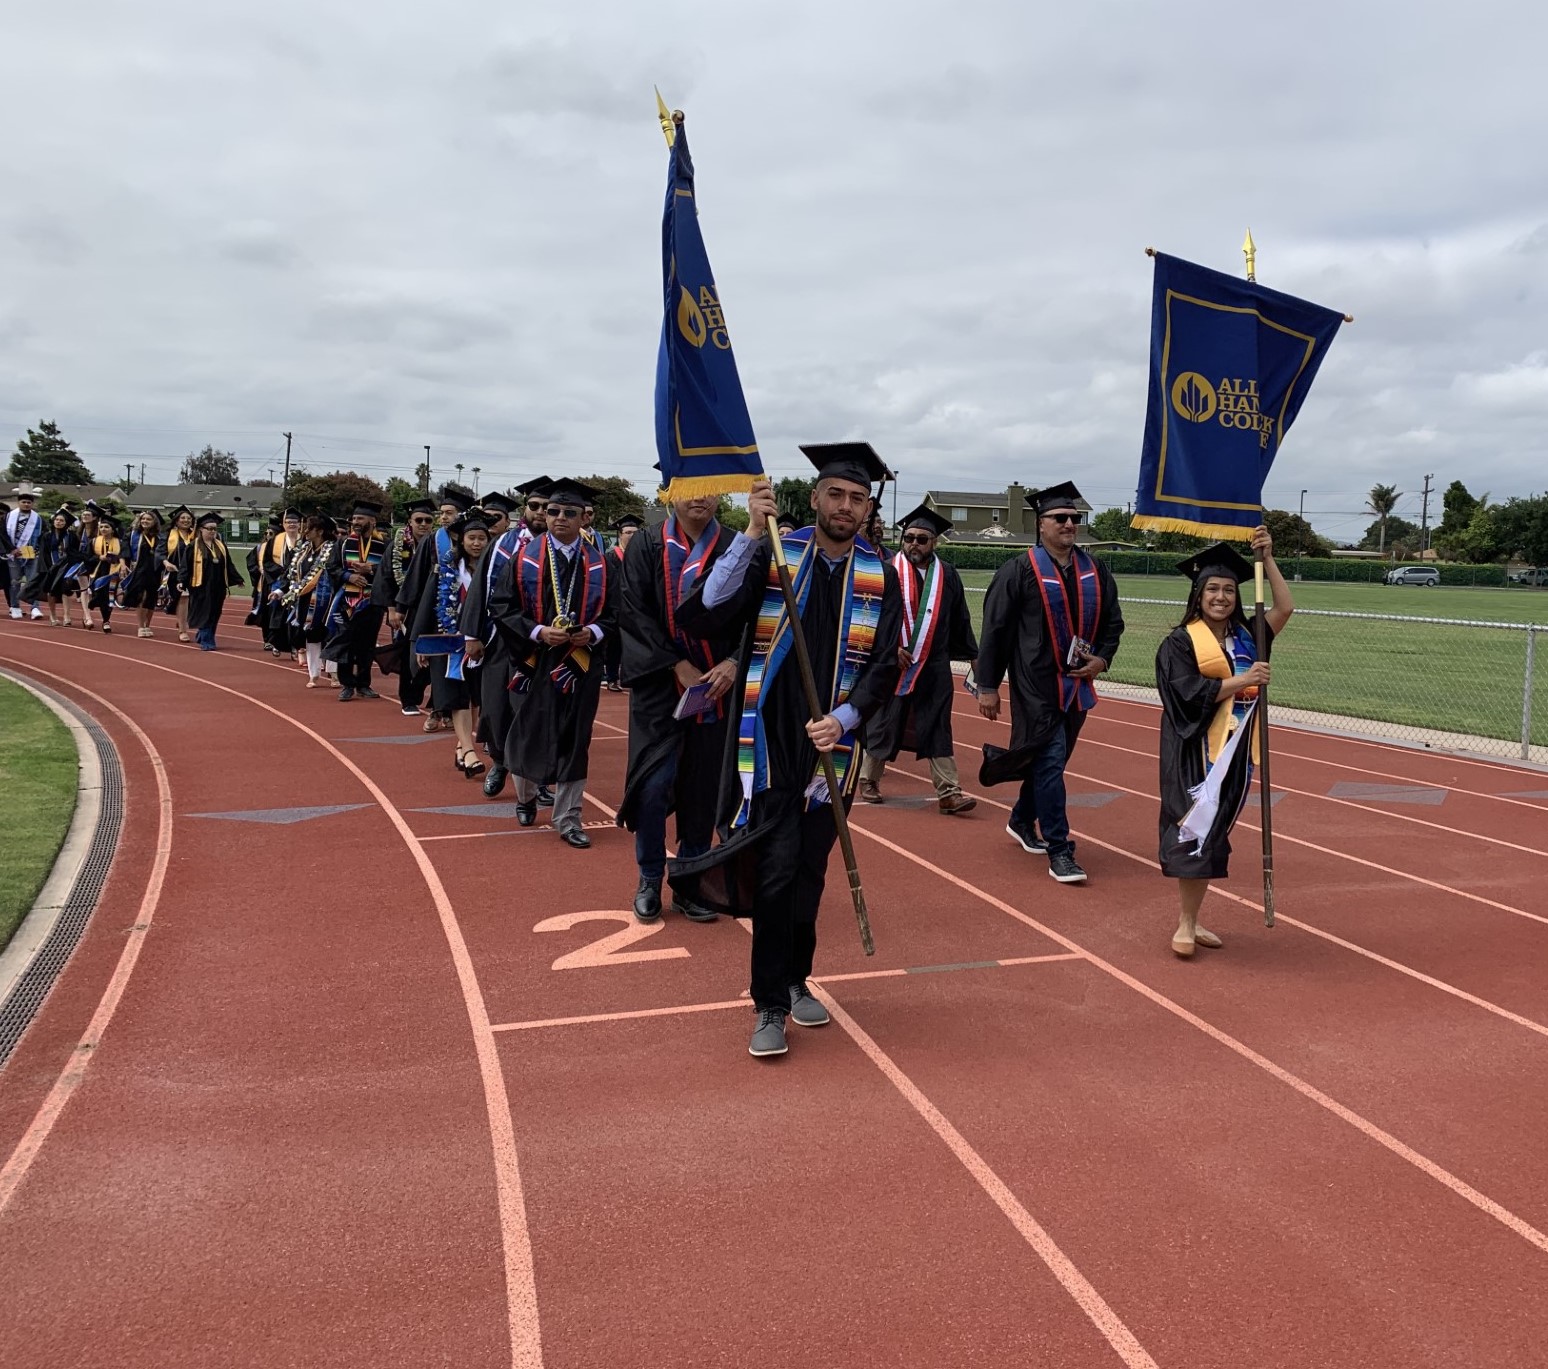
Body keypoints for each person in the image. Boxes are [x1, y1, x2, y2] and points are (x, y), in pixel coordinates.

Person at [670, 444, 903, 1060]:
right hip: (771, 744)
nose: (846, 506)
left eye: (857, 498)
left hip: (836, 751)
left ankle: (799, 977)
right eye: (836, 494)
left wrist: (847, 718)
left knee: (809, 873)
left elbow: (886, 664)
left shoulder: (882, 573)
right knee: (774, 873)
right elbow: (703, 611)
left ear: (866, 506)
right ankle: (768, 1003)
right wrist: (749, 531)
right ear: (815, 497)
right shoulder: (778, 550)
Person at [975, 481, 1124, 885]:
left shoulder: (1095, 570)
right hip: (1034, 687)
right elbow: (996, 631)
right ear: (1041, 524)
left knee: (1048, 764)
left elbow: (1113, 623)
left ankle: (1022, 819)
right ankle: (1060, 850)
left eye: (1075, 518)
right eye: (1061, 518)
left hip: (1077, 686)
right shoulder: (1019, 570)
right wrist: (988, 686)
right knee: (1051, 761)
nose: (1070, 524)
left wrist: (1102, 659)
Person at [1158, 529, 1292, 957]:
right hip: (1194, 752)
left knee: (1214, 834)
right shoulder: (1178, 643)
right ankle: (1185, 923)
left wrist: (1267, 559)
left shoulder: (1249, 637)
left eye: (1230, 589)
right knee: (1194, 832)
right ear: (1198, 595)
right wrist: (1243, 679)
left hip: (1237, 752)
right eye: (1212, 588)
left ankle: (1193, 921)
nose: (1221, 596)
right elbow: (1187, 694)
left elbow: (1286, 606)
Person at [616, 494, 740, 924]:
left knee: (702, 790)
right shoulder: (646, 545)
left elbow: (760, 612)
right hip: (659, 688)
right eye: (691, 487)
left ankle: (690, 883)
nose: (701, 498)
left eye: (710, 488)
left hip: (716, 688)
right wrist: (675, 663)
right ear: (670, 491)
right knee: (653, 786)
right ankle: (650, 876)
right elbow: (632, 612)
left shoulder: (735, 545)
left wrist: (734, 661)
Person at [488, 478, 614, 848]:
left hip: (580, 662)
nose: (559, 517)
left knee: (576, 739)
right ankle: (525, 797)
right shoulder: (523, 558)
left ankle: (568, 817)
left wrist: (593, 632)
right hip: (534, 661)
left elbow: (618, 615)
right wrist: (538, 632)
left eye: (569, 512)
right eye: (552, 510)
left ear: (584, 518)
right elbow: (501, 608)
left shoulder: (601, 564)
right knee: (529, 732)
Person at [857, 504, 978, 814]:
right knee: (884, 722)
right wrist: (887, 648)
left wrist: (975, 660)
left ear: (933, 542)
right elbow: (871, 618)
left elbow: (959, 620)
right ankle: (868, 779)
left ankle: (949, 792)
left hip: (934, 665)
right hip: (893, 661)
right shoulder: (886, 569)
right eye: (908, 537)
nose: (914, 544)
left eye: (922, 539)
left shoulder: (947, 575)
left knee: (938, 725)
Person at [461, 478, 550, 798]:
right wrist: (473, 635)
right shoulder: (504, 544)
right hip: (502, 639)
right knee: (497, 706)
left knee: (537, 710)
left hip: (545, 643)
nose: (541, 513)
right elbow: (480, 589)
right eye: (535, 506)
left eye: (548, 507)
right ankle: (499, 761)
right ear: (525, 508)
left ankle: (537, 778)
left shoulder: (565, 546)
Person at [411, 511, 490, 777]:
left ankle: (461, 746)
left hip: (482, 644)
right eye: (472, 538)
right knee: (458, 698)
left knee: (475, 698)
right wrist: (420, 644)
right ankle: (469, 751)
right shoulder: (445, 570)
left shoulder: (495, 572)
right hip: (449, 643)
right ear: (462, 540)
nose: (477, 543)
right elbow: (427, 606)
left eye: (482, 538)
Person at [394, 485, 474, 726]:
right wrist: (401, 606)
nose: (443, 517)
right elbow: (416, 574)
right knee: (434, 659)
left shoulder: (474, 538)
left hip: (467, 605)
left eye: (449, 512)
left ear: (461, 515)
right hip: (434, 605)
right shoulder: (434, 540)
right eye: (442, 512)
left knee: (460, 661)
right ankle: (437, 709)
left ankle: (447, 710)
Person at [325, 501, 390, 699]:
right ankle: (347, 685)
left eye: (360, 518)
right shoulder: (343, 543)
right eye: (353, 518)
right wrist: (349, 576)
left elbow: (390, 571)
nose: (355, 522)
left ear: (372, 520)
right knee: (346, 642)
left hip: (373, 602)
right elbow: (331, 567)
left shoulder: (385, 545)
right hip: (347, 601)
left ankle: (363, 684)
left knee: (367, 644)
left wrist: (372, 569)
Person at [388, 497, 437, 715]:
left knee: (436, 655)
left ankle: (435, 701)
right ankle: (408, 698)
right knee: (410, 655)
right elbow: (387, 578)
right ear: (410, 521)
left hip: (434, 608)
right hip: (408, 609)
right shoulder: (397, 546)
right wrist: (393, 608)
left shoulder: (438, 545)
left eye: (428, 520)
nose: (423, 524)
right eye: (419, 520)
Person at [177, 513, 243, 649]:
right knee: (204, 613)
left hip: (218, 586)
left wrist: (237, 579)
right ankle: (208, 641)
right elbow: (185, 565)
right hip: (200, 586)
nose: (212, 531)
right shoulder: (193, 547)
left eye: (214, 529)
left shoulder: (220, 546)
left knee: (215, 613)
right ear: (201, 529)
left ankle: (204, 635)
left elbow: (228, 564)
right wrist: (181, 581)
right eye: (209, 528)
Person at [290, 515, 339, 686]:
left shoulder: (333, 550)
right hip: (305, 598)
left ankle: (334, 673)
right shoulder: (304, 550)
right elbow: (292, 573)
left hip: (327, 599)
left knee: (329, 634)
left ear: (319, 531)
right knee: (310, 634)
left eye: (308, 529)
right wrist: (283, 591)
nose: (304, 532)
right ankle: (314, 674)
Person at [603, 514, 642, 691]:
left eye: (635, 532)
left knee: (634, 646)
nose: (632, 535)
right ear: (620, 535)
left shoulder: (642, 556)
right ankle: (612, 678)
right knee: (615, 645)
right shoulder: (611, 557)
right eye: (628, 532)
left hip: (636, 609)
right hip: (617, 608)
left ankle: (630, 676)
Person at [258, 509, 303, 654]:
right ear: (283, 524)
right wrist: (282, 572)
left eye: (294, 522)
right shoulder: (275, 541)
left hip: (299, 582)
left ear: (299, 524)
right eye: (288, 522)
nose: (291, 525)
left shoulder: (304, 541)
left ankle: (295, 645)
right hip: (279, 582)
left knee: (296, 614)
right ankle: (277, 643)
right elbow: (267, 562)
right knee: (277, 613)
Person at [121, 509, 167, 638]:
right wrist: (123, 564)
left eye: (148, 519)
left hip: (154, 570)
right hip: (138, 569)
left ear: (154, 522)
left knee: (151, 598)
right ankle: (141, 626)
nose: (145, 521)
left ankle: (148, 625)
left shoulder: (160, 536)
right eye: (143, 519)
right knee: (141, 596)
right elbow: (124, 550)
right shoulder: (132, 534)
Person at [80, 505, 123, 634]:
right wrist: (100, 557)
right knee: (99, 594)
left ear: (112, 529)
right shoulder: (94, 541)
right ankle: (94, 603)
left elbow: (124, 555)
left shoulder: (120, 542)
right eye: (102, 527)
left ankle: (106, 621)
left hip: (113, 572)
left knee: (109, 596)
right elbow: (87, 557)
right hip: (98, 571)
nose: (104, 529)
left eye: (107, 527)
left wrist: (114, 559)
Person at [36, 508, 82, 626]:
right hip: (51, 567)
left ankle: (66, 616)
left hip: (66, 567)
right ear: (53, 521)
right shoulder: (47, 536)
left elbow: (76, 551)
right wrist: (46, 568)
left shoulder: (71, 536)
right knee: (51, 592)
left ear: (66, 523)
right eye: (57, 520)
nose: (59, 522)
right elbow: (43, 553)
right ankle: (53, 615)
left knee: (65, 591)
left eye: (62, 520)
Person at [4, 487, 44, 620]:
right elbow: (3, 535)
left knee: (32, 581)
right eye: (24, 502)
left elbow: (42, 535)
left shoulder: (37, 518)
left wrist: (37, 548)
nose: (26, 504)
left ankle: (35, 607)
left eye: (29, 502)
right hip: (13, 554)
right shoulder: (8, 516)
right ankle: (15, 606)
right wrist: (11, 549)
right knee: (15, 581)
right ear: (19, 502)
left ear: (32, 504)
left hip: (31, 553)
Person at [162, 506, 196, 641]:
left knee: (191, 601)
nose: (186, 520)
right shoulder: (168, 535)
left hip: (194, 572)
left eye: (188, 518)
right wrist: (165, 562)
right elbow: (161, 552)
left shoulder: (196, 535)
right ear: (176, 521)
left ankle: (182, 619)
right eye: (183, 518)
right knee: (183, 597)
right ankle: (183, 630)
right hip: (175, 572)